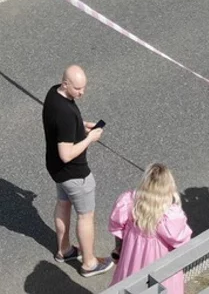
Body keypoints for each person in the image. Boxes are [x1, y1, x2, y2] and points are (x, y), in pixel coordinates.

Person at [43, 65, 112, 277]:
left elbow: (61, 126)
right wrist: (90, 138)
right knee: (85, 216)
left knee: (63, 205)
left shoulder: (54, 94)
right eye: (78, 88)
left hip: (57, 171)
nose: (82, 92)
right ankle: (89, 263)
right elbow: (66, 153)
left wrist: (81, 125)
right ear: (65, 84)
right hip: (75, 174)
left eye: (84, 88)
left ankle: (64, 250)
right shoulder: (64, 113)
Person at [109, 164, 192, 294]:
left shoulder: (129, 201)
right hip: (160, 264)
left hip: (132, 260)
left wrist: (119, 249)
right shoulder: (171, 215)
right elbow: (181, 241)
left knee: (129, 288)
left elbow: (117, 227)